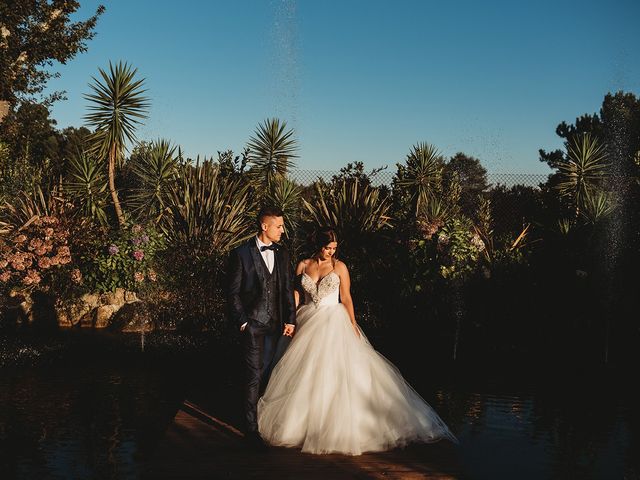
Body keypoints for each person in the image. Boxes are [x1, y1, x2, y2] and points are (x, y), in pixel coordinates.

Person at [257, 227, 457, 455]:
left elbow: (347, 297)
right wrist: (290, 317)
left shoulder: (339, 267)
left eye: (334, 248)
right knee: (303, 371)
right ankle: (300, 425)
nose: (331, 252)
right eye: (327, 248)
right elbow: (296, 293)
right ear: (318, 246)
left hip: (334, 320)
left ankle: (338, 427)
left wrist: (352, 324)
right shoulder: (303, 265)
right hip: (307, 318)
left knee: (335, 372)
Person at [227, 206, 297, 449]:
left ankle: (263, 420)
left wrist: (291, 319)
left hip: (276, 325)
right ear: (264, 226)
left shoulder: (283, 253)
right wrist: (243, 322)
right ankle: (251, 430)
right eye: (279, 226)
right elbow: (232, 292)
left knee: (268, 373)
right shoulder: (241, 253)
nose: (282, 230)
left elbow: (287, 288)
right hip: (253, 325)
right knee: (253, 376)